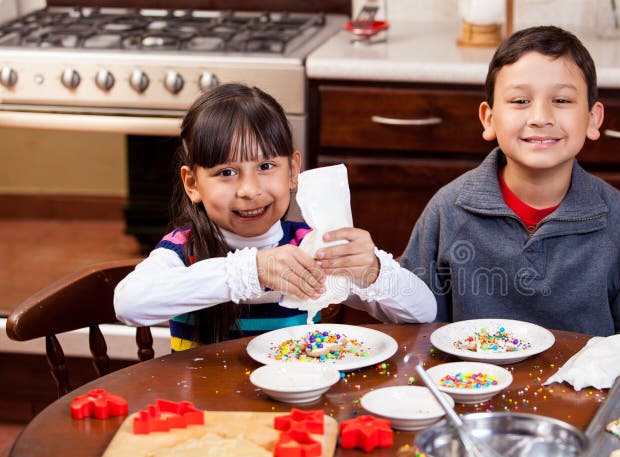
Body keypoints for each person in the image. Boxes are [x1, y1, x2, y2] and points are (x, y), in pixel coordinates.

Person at [400, 26, 620, 353]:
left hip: (589, 403)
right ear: (488, 119)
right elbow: (413, 333)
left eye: (561, 100)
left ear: (592, 118)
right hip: (466, 400)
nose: (540, 117)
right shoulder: (446, 212)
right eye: (520, 100)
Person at [115, 83, 435, 351]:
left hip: (294, 411)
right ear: (192, 184)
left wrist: (374, 271)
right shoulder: (184, 249)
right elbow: (129, 304)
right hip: (204, 416)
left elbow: (423, 311)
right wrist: (253, 270)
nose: (250, 190)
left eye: (266, 167)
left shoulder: (310, 245)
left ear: (293, 170)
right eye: (226, 172)